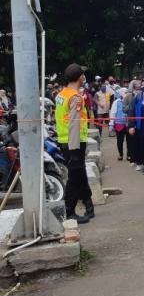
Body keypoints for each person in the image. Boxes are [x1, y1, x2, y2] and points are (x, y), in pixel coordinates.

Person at [55, 64, 94, 224]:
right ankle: (69, 211)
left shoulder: (61, 94)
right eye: (83, 75)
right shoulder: (75, 97)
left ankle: (89, 205)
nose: (84, 78)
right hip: (74, 142)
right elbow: (74, 123)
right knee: (74, 177)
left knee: (80, 173)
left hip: (65, 140)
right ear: (80, 78)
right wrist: (74, 147)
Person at [108, 87, 130, 162]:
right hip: (119, 124)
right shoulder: (116, 102)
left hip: (128, 124)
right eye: (125, 93)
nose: (126, 94)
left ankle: (129, 155)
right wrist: (111, 124)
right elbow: (113, 113)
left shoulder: (130, 101)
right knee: (120, 140)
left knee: (129, 140)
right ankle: (120, 154)